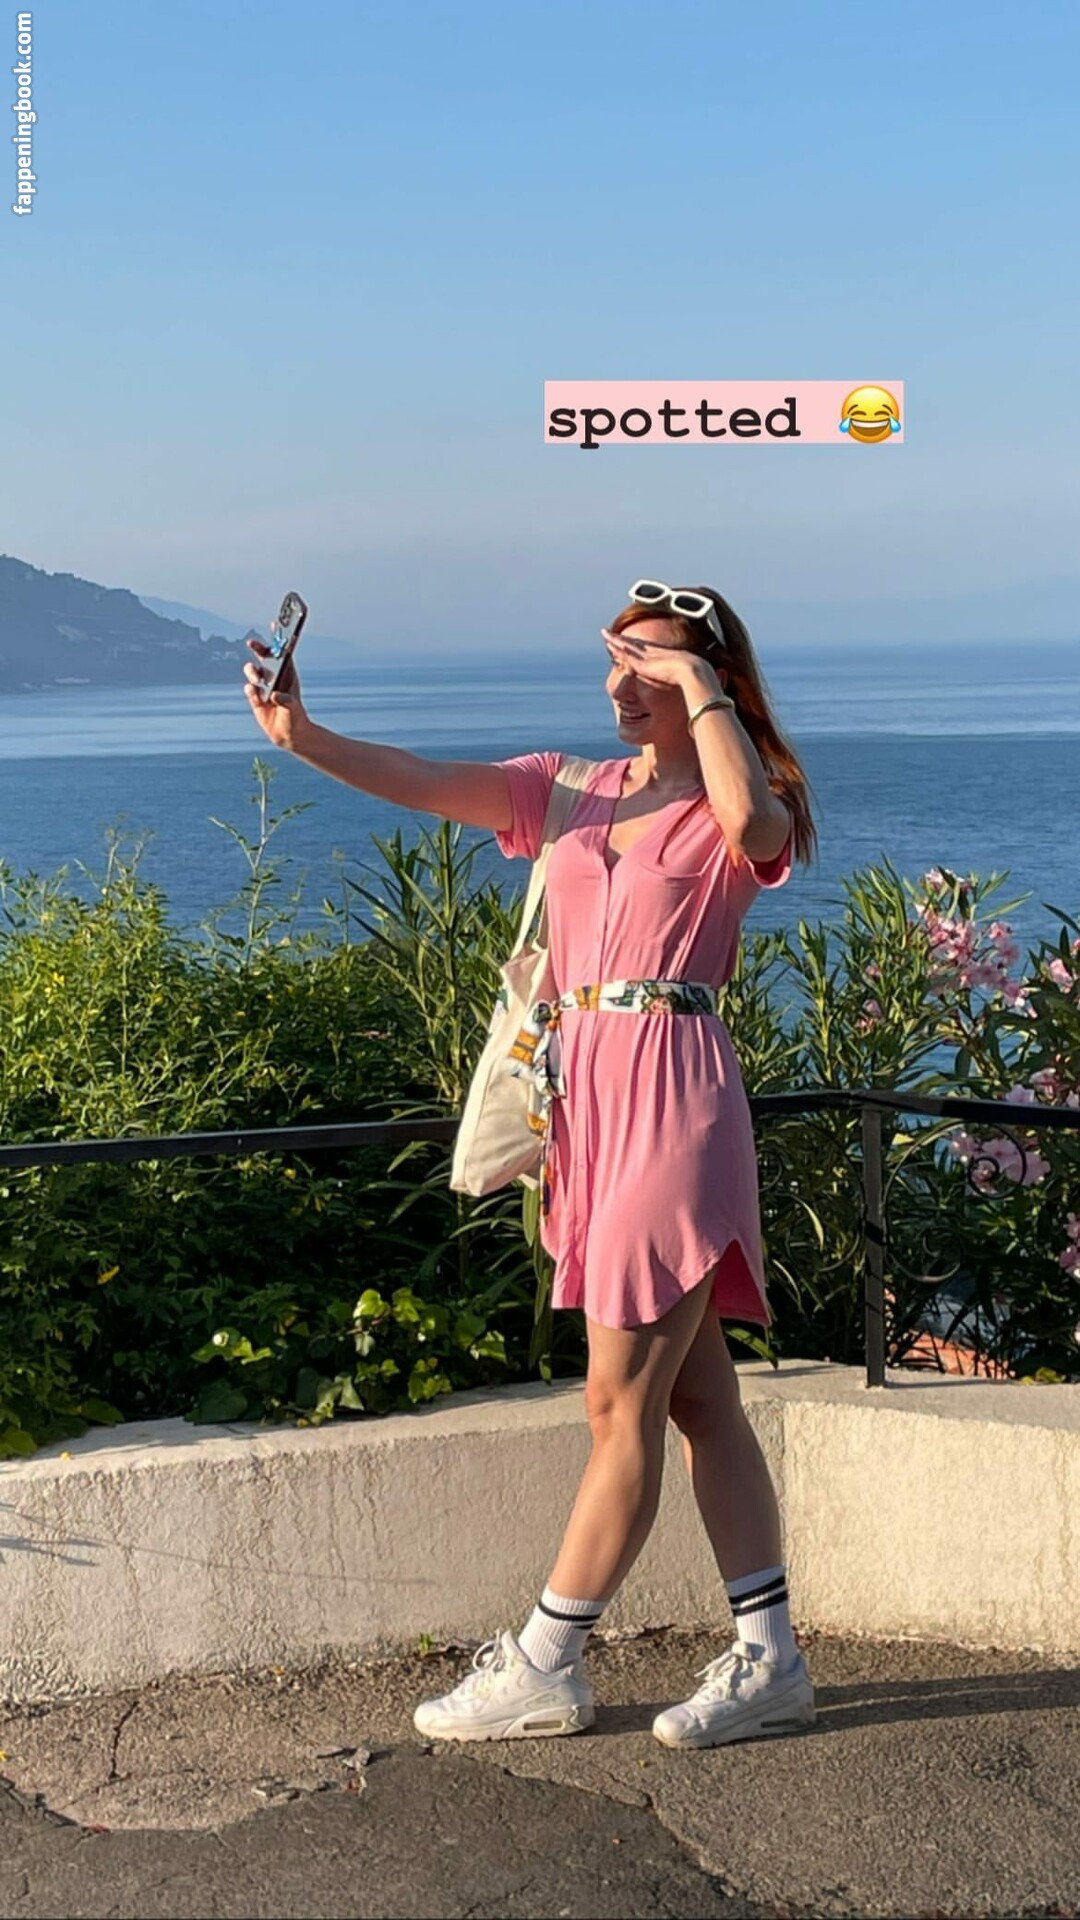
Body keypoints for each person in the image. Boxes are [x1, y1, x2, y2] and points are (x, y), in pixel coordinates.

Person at [244, 579, 819, 1751]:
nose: (619, 687)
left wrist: (699, 685)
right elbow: (422, 779)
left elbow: (758, 831)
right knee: (698, 1398)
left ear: (704, 679)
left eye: (646, 669)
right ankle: (771, 1660)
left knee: (618, 1403)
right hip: (587, 1107)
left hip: (675, 1095)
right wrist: (303, 736)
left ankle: (548, 1660)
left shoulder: (740, 798)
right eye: (614, 662)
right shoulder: (569, 788)